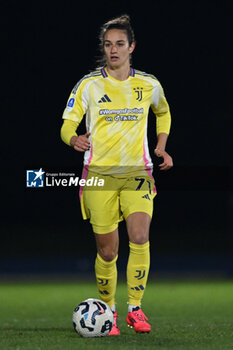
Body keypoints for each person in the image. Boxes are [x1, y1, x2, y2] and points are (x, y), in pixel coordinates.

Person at [60, 14, 173, 335]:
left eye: (120, 44)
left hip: (137, 173)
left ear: (131, 47)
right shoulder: (89, 85)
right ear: (104, 49)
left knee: (139, 236)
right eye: (108, 45)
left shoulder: (148, 84)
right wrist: (73, 138)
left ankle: (135, 309)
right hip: (98, 176)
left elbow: (163, 111)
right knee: (107, 251)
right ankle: (107, 312)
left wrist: (161, 146)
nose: (114, 50)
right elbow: (67, 123)